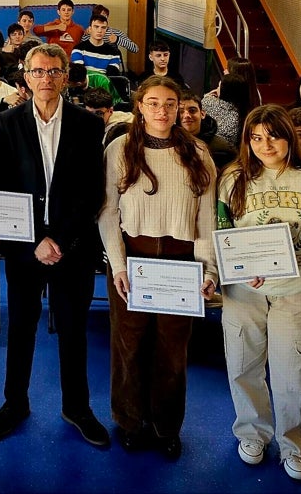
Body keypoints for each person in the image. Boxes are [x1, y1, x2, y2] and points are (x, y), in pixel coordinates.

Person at [0, 44, 110, 448]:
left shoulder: (89, 125)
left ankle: (77, 408)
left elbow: (93, 192)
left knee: (74, 331)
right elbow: (4, 186)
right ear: (26, 76)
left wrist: (59, 238)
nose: (45, 78)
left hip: (71, 246)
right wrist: (33, 240)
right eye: (38, 72)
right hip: (25, 247)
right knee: (21, 328)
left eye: (53, 71)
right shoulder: (7, 122)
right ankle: (14, 403)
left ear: (65, 76)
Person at [98, 75, 217, 461]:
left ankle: (167, 426)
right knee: (128, 346)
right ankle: (130, 422)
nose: (162, 111)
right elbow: (108, 213)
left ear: (180, 108)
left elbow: (206, 220)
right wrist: (117, 265)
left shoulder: (198, 152)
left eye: (170, 104)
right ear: (140, 106)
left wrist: (207, 269)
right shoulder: (119, 150)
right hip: (133, 258)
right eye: (153, 103)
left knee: (171, 351)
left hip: (182, 262)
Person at [216, 105, 301, 481]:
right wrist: (237, 267)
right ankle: (252, 433)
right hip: (244, 292)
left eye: (273, 135)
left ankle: (293, 445)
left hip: (296, 289)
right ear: (246, 140)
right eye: (256, 137)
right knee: (243, 366)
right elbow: (223, 232)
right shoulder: (233, 177)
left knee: (293, 373)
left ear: (289, 137)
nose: (265, 144)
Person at [177, 90, 236, 170]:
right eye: (181, 112)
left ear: (202, 114)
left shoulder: (222, 149)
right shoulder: (169, 144)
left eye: (192, 111)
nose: (187, 115)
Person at [202, 73, 250, 146]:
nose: (217, 89)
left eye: (219, 86)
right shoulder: (243, 112)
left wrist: (206, 96)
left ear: (224, 90)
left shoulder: (208, 102)